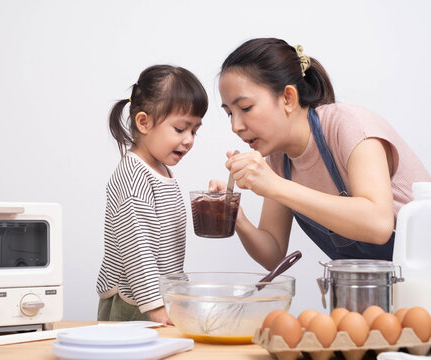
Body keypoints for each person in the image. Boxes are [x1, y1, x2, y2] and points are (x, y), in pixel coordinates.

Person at [210, 38, 431, 270]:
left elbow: (378, 224)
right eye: (229, 114)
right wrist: (238, 219)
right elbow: (273, 253)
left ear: (288, 98)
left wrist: (275, 185)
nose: (236, 126)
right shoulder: (278, 159)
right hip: (379, 289)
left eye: (245, 108)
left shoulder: (349, 126)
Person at [96, 65, 208, 324]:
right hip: (135, 301)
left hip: (161, 297)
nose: (189, 139)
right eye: (180, 129)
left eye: (194, 130)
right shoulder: (133, 176)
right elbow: (138, 248)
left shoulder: (160, 170)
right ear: (144, 122)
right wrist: (156, 307)